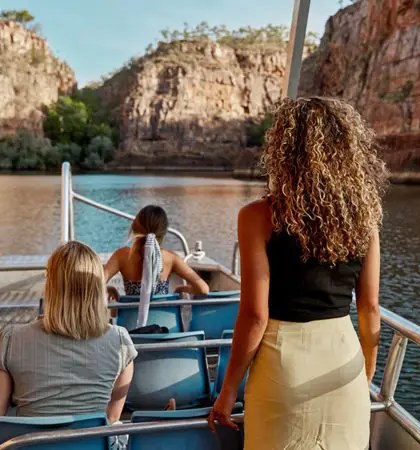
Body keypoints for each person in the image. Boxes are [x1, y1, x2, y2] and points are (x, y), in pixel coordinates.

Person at [209, 97, 386, 449]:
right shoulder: (364, 221)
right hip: (344, 365)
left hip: (283, 364)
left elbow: (255, 316)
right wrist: (364, 377)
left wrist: (229, 390)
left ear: (284, 150)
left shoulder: (258, 217)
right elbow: (370, 311)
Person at [0, 241, 137, 432]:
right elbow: (111, 419)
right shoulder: (120, 342)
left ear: (51, 286)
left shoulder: (10, 340)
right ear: (97, 288)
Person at [104, 206, 209, 316]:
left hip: (131, 330)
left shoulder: (122, 256)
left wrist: (110, 290)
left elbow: (95, 284)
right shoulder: (171, 258)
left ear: (135, 227)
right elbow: (203, 289)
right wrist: (181, 288)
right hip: (166, 329)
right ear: (163, 232)